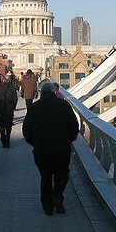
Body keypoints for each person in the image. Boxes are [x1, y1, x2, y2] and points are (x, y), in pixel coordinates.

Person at [23, 80, 79, 216]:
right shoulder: (64, 105)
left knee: (46, 177)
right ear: (54, 92)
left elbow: (26, 129)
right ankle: (57, 196)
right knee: (62, 174)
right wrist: (69, 140)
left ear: (41, 93)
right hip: (62, 148)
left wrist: (34, 143)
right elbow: (74, 126)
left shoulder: (35, 107)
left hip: (42, 149)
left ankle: (48, 207)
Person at [0, 70, 18, 148]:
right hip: (9, 108)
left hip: (0, 108)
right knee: (8, 125)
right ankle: (7, 137)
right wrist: (13, 107)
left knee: (1, 124)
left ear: (3, 80)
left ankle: (2, 137)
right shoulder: (12, 89)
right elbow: (15, 99)